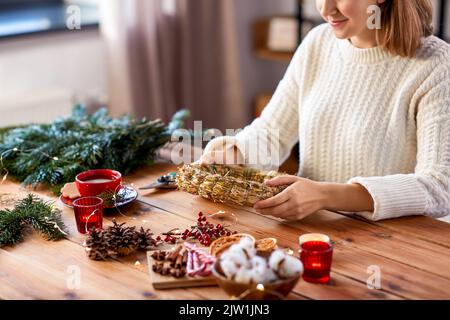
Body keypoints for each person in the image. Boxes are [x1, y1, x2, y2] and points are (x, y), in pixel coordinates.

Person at [199, 0, 450, 221]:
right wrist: (235, 152)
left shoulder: (435, 64)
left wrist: (324, 195)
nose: (326, 9)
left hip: (393, 246)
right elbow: (272, 132)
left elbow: (438, 187)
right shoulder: (318, 41)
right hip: (312, 231)